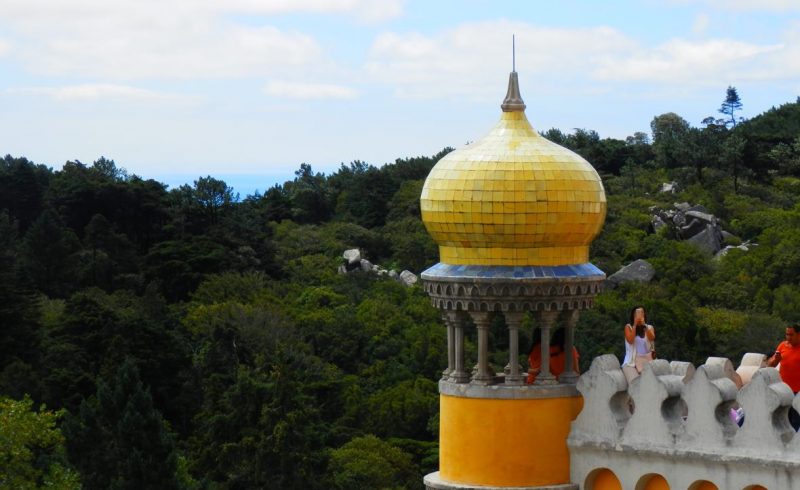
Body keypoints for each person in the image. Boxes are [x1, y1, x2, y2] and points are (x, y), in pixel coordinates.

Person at [767, 323, 800, 430]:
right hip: (782, 391)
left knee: (795, 422)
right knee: (781, 421)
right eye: (787, 335)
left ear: (798, 334)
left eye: (791, 335)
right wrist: (776, 359)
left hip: (798, 393)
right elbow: (771, 365)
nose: (788, 338)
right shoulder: (782, 345)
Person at [621, 306, 656, 383]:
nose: (640, 315)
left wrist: (644, 326)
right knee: (635, 382)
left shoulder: (649, 327)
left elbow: (652, 338)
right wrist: (635, 325)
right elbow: (630, 340)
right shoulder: (628, 327)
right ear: (633, 315)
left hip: (647, 361)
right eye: (637, 313)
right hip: (631, 362)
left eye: (642, 312)